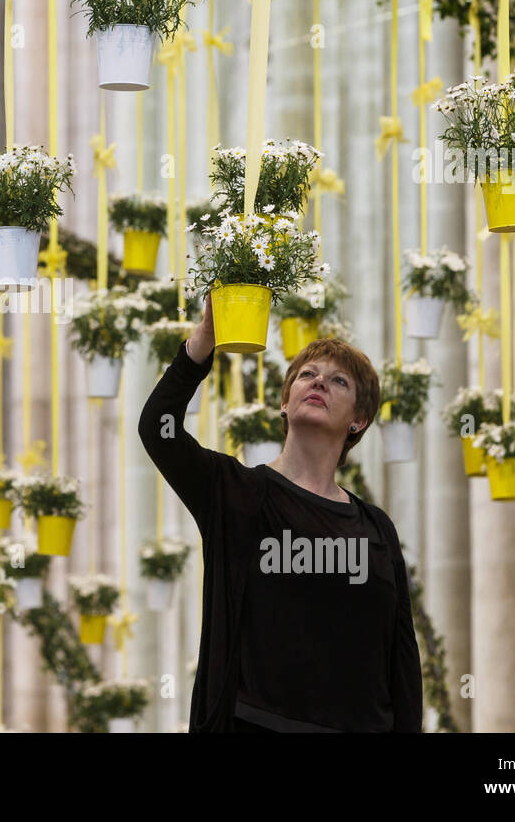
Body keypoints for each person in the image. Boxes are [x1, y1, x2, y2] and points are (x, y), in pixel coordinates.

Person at [137, 294, 422, 732]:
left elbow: (401, 660)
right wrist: (204, 340)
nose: (319, 382)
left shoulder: (376, 528)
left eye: (338, 381)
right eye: (306, 375)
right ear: (285, 403)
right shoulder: (236, 492)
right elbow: (160, 427)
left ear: (359, 421)